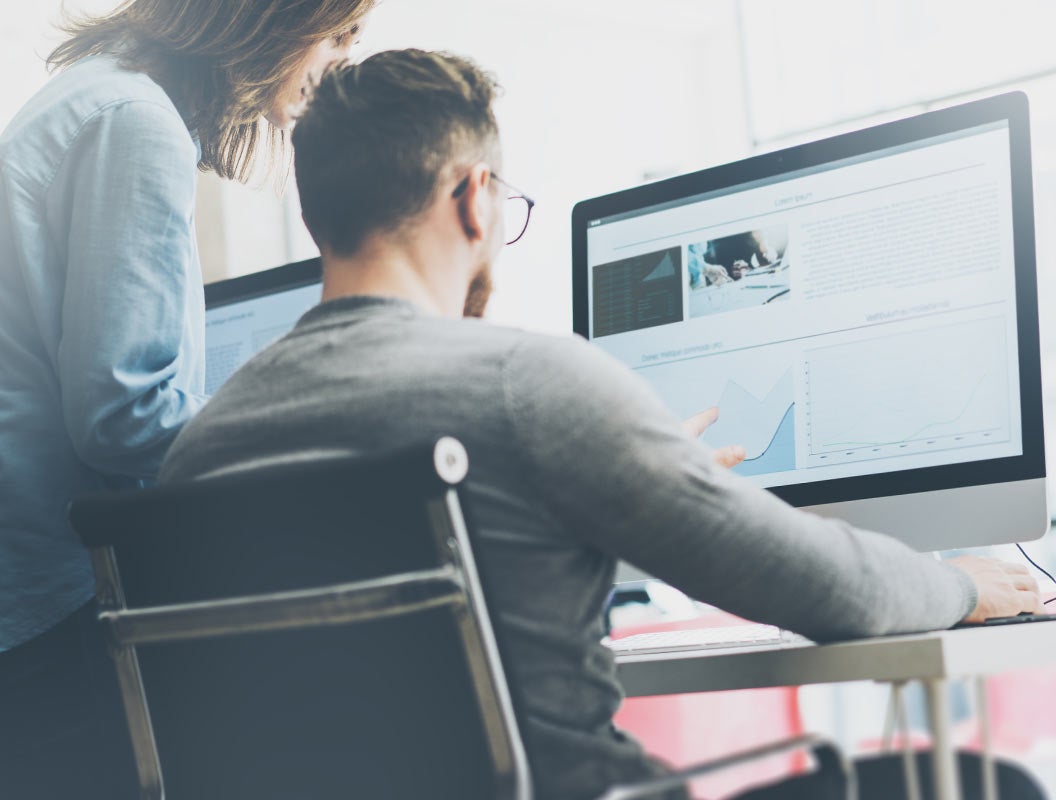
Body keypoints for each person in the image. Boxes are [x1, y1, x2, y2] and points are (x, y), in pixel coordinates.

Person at [160, 50, 1042, 800]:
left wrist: (644, 479)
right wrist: (961, 585)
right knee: (985, 783)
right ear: (474, 199)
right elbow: (828, 591)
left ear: (317, 215)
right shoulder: (526, 386)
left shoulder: (202, 446)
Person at [0, 1, 373, 796]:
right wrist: (303, 434)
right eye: (337, 34)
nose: (342, 61)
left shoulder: (97, 96)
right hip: (49, 604)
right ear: (273, 17)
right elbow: (122, 414)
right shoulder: (136, 122)